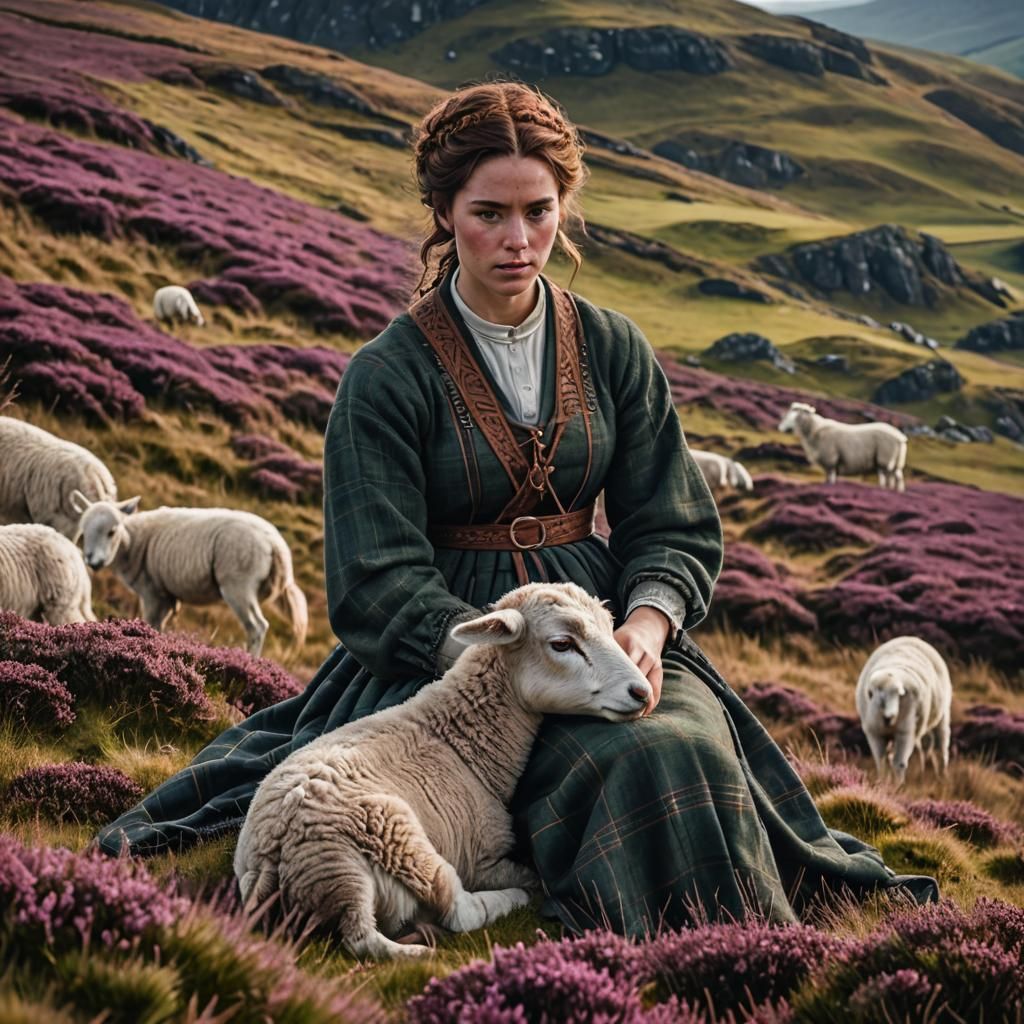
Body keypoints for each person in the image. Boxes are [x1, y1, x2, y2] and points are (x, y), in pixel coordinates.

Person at [97, 81, 935, 937]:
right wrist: (503, 673)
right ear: (444, 212)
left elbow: (671, 524)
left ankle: (728, 950)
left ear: (564, 208)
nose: (518, 239)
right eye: (488, 212)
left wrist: (641, 633)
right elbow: (373, 578)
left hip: (594, 623)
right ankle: (603, 933)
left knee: (681, 739)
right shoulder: (385, 377)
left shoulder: (613, 348)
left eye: (538, 211)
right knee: (616, 759)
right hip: (449, 651)